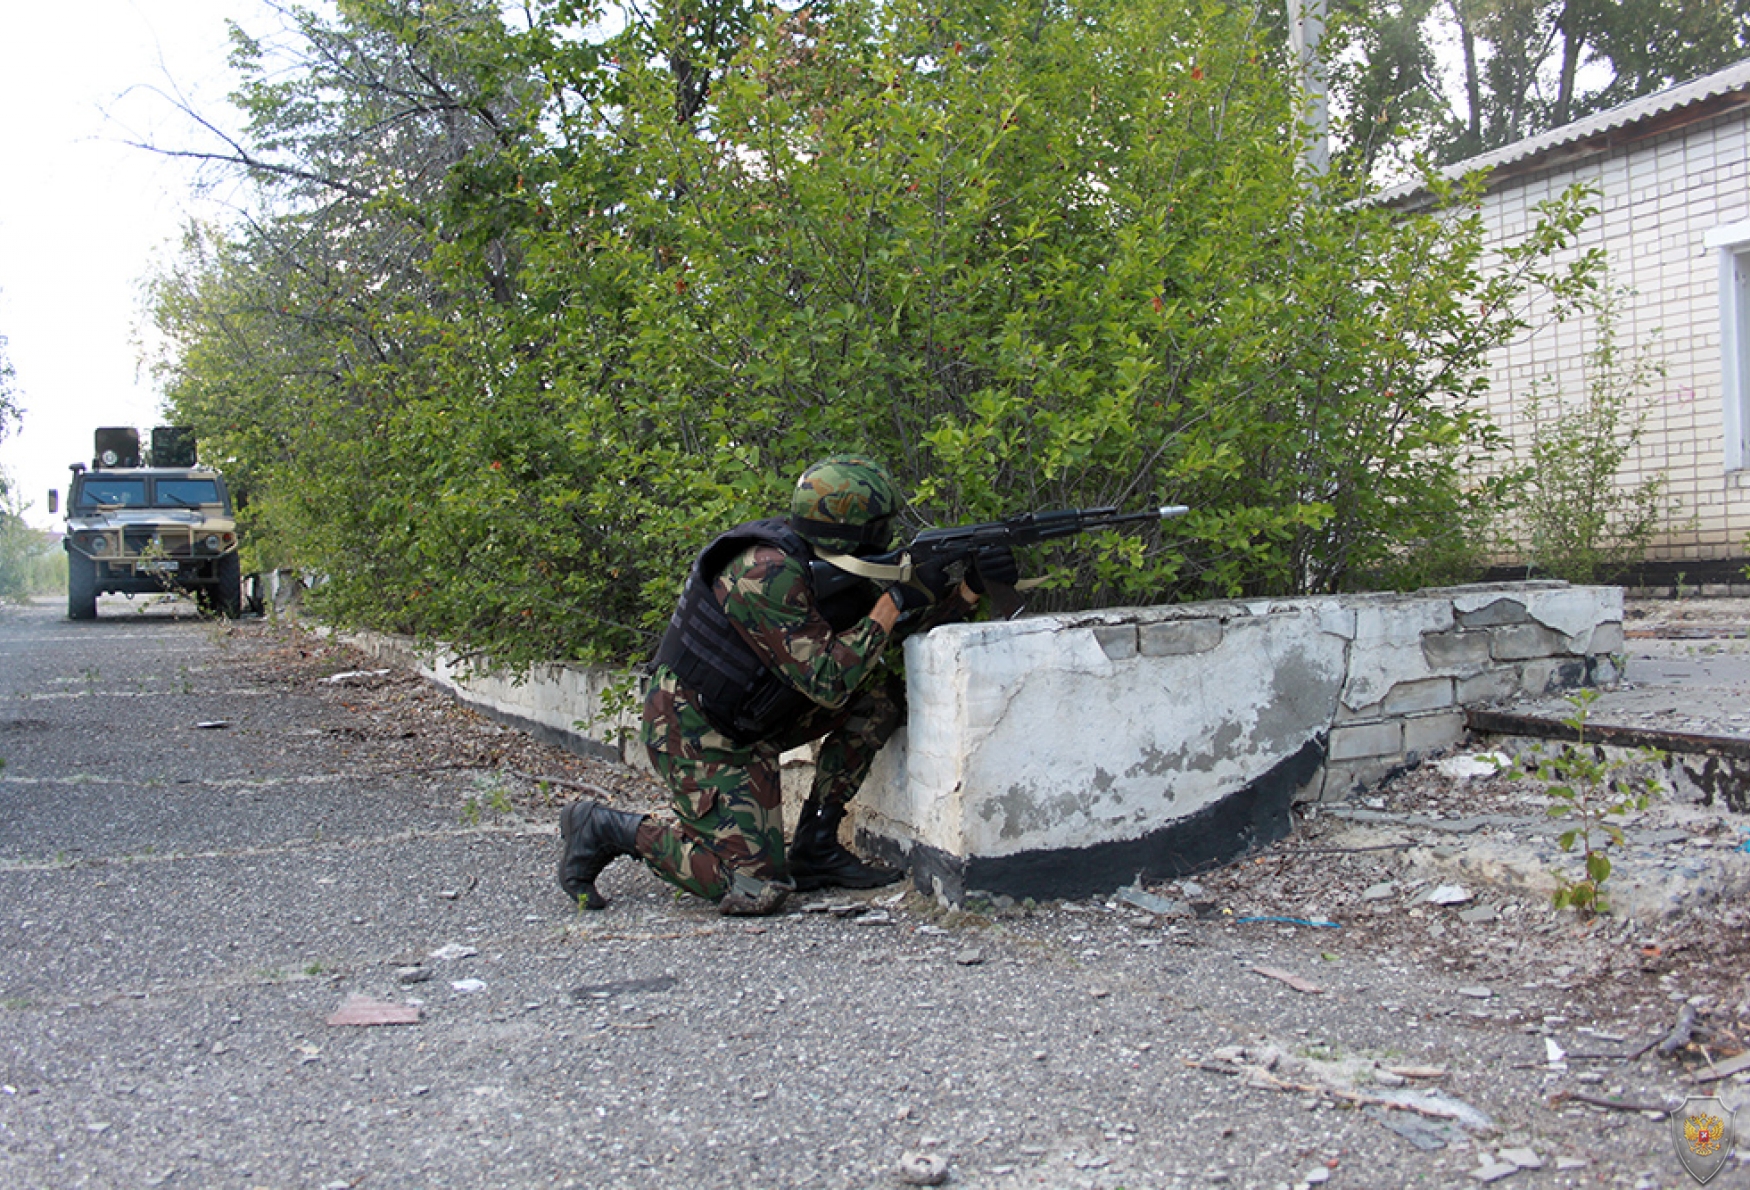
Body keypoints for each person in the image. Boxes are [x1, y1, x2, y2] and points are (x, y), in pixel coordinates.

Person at [556, 455, 1018, 915]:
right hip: (697, 731)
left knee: (879, 699)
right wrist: (895, 599)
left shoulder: (832, 562)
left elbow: (881, 646)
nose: (888, 535)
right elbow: (829, 680)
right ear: (851, 527)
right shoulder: (763, 571)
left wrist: (966, 590)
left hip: (755, 713)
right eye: (879, 525)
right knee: (754, 889)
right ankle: (605, 827)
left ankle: (817, 845)